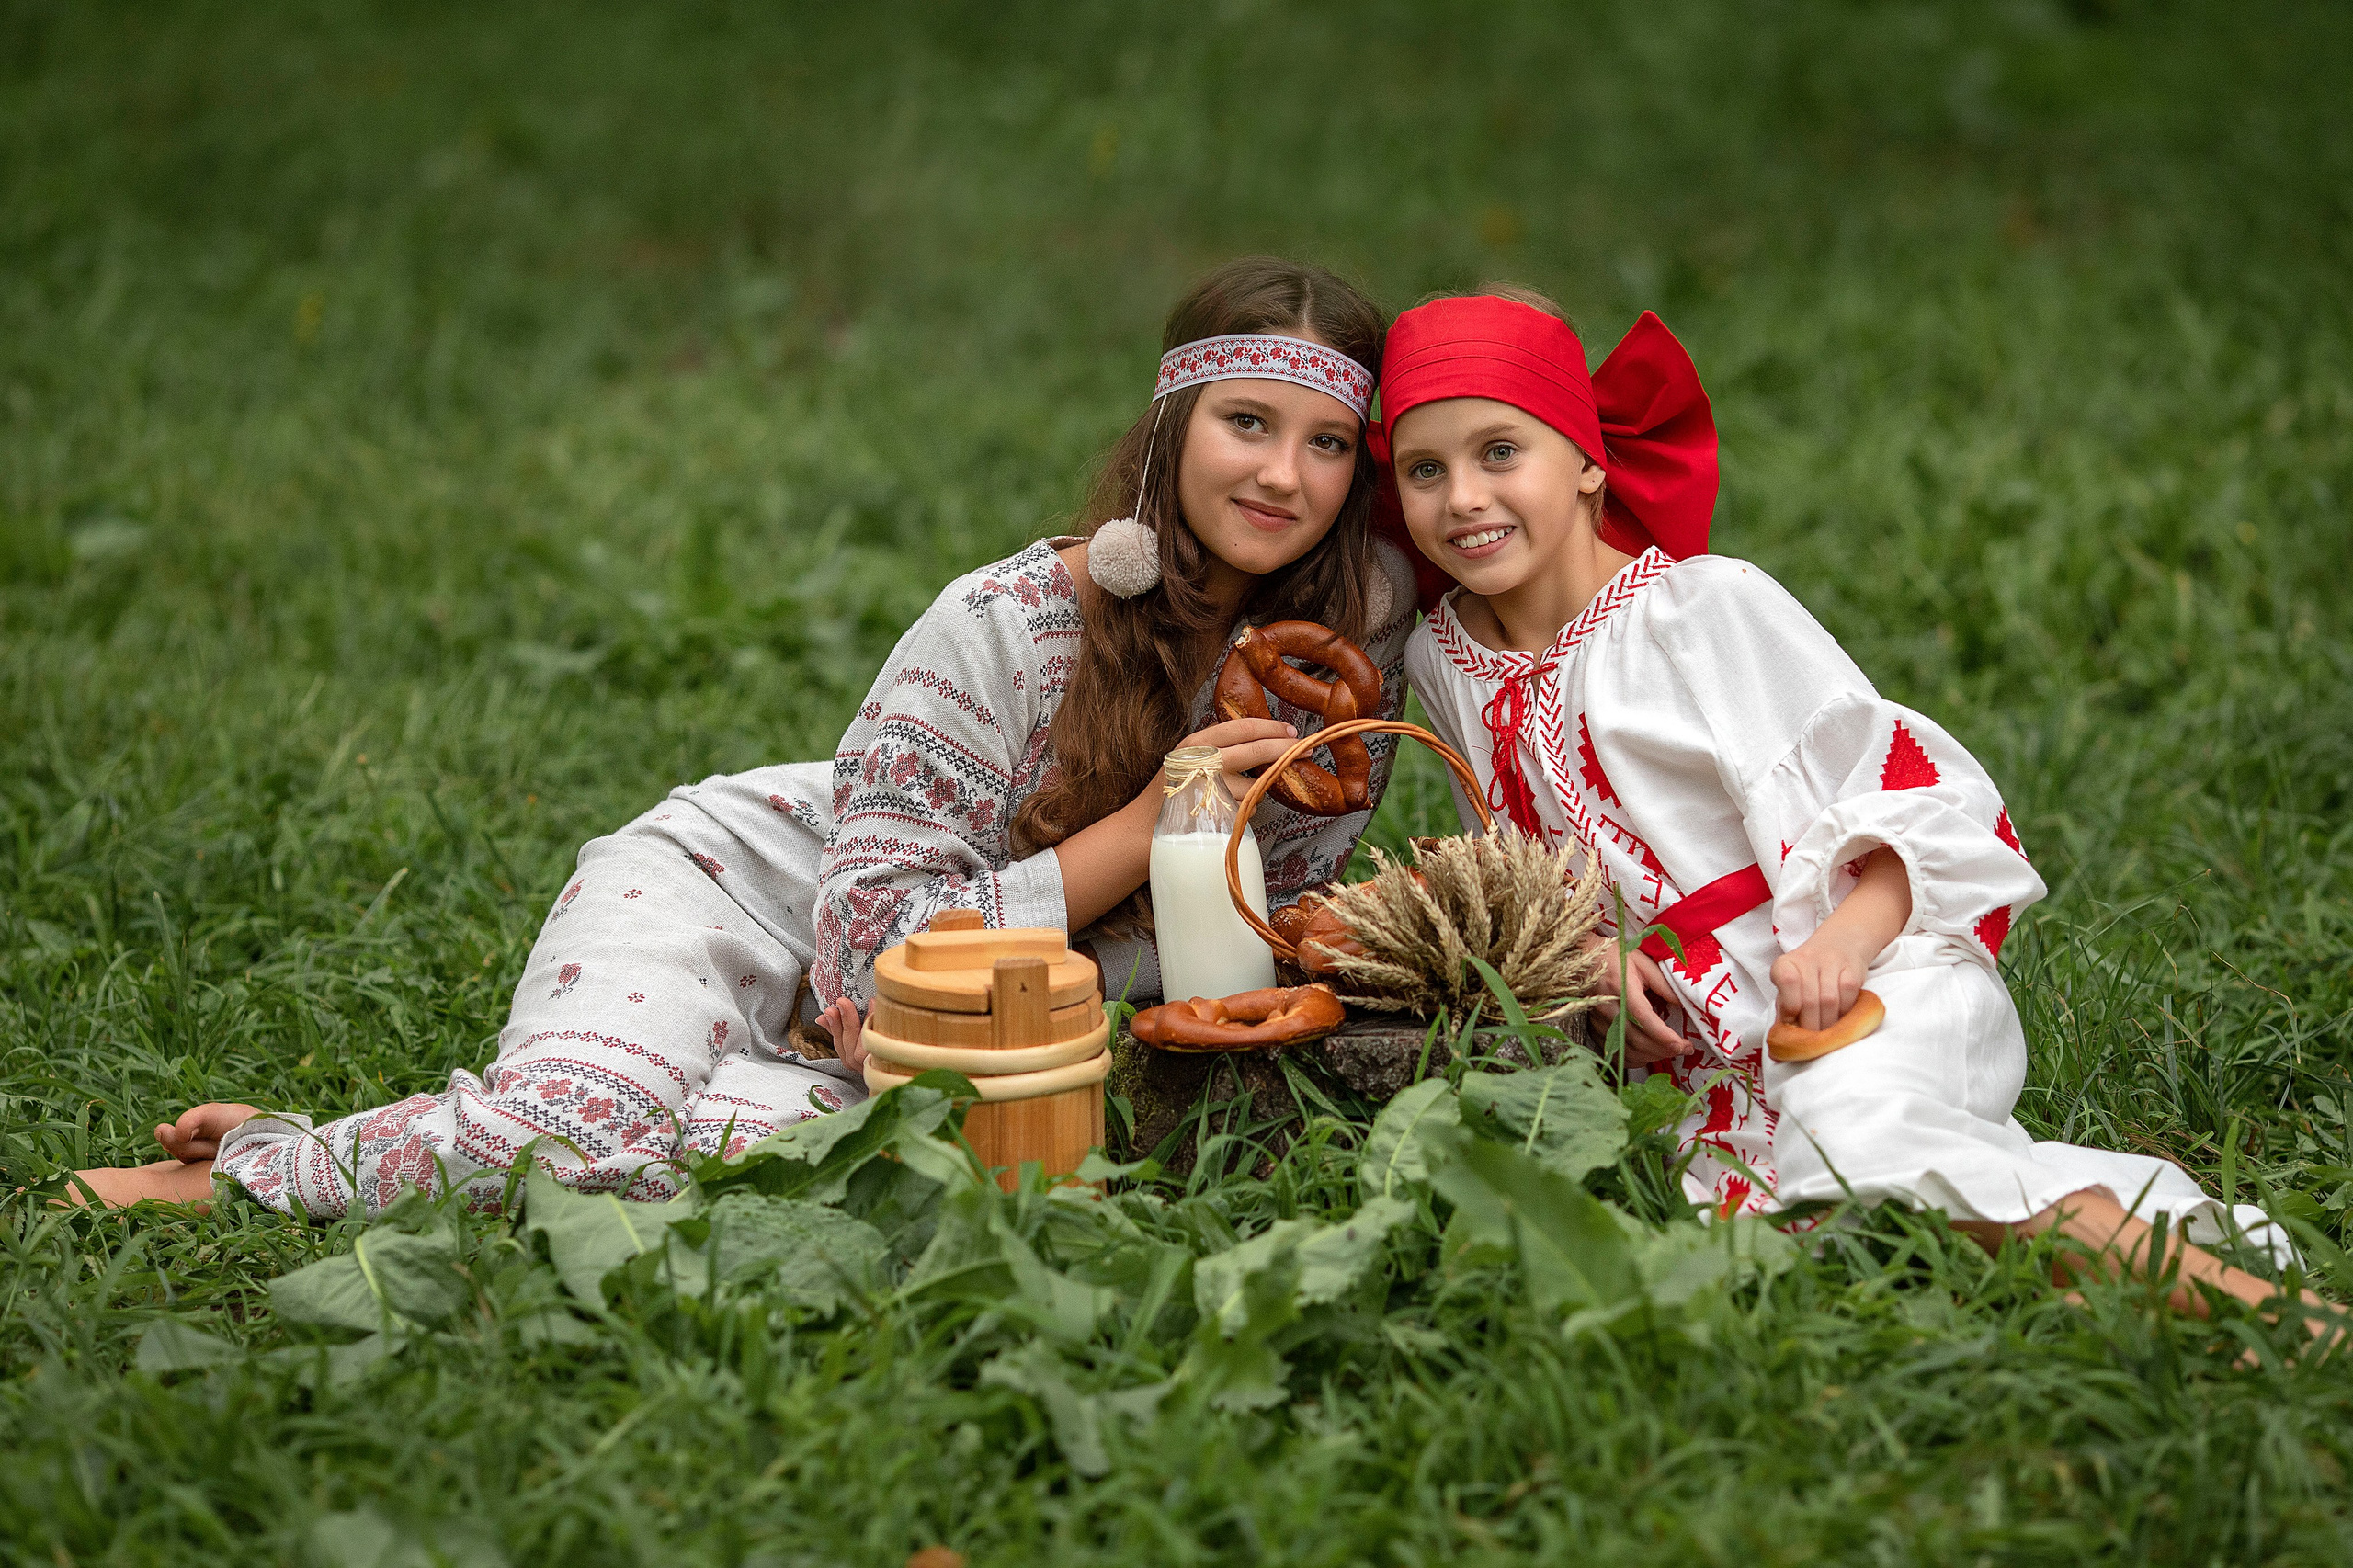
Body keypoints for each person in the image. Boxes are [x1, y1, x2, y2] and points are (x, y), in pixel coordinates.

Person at [74, 256, 1417, 1216]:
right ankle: (233, 1177)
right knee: (581, 1132)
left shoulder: (1330, 695)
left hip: (965, 1024)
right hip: (753, 893)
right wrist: (1147, 823)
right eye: (1247, 423)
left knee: (786, 1168)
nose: (1281, 476)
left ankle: (404, 1142)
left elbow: (1238, 946)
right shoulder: (1010, 623)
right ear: (1176, 429)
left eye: (1326, 444)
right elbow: (870, 940)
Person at [1380, 287, 2310, 1321]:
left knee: (1862, 1142)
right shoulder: (1445, 658)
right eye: (1425, 468)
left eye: (1499, 451)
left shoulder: (1700, 612)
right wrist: (1583, 961)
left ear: (1590, 460)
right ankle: (2096, 1258)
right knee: (1816, 1231)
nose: (1462, 496)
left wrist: (1842, 946)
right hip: (1698, 1049)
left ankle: (2278, 1328)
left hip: (1862, 971)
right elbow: (1518, 869)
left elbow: (1922, 798)